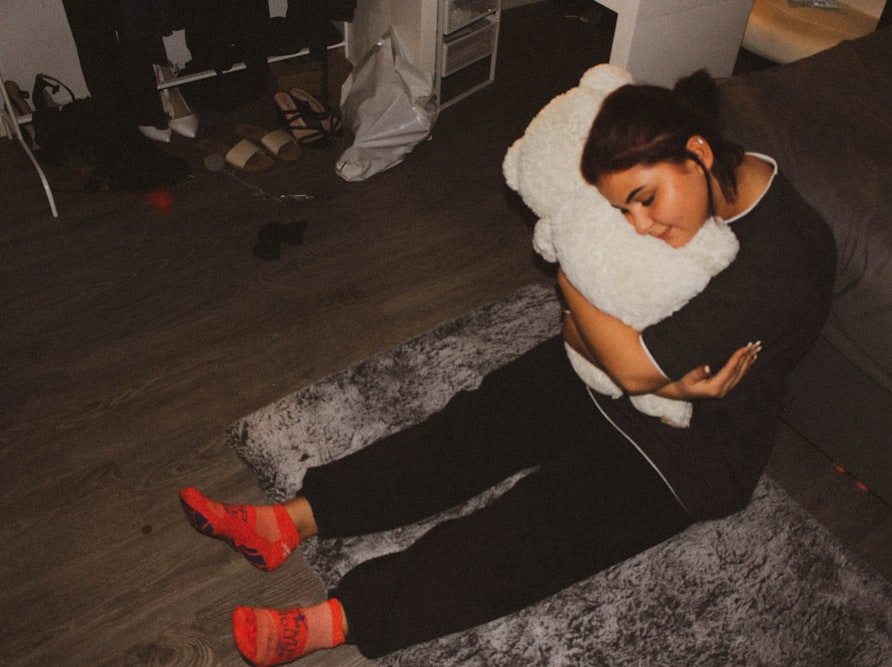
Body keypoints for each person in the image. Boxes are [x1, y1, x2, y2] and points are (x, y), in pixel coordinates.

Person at [179, 70, 836, 666]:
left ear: (696, 153)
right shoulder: (681, 186)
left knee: (530, 529)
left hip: (692, 447)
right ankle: (290, 519)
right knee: (474, 426)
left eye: (644, 198)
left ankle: (334, 618)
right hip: (604, 364)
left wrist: (571, 282)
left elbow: (633, 365)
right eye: (624, 207)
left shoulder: (785, 257)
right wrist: (591, 314)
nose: (636, 225)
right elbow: (592, 336)